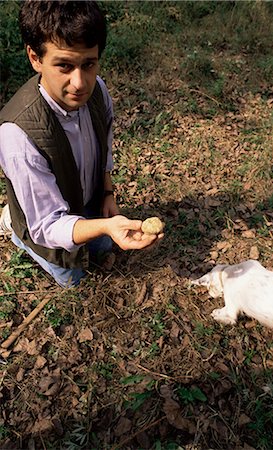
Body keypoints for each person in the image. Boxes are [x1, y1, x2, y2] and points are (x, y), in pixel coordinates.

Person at [0, 0, 162, 288]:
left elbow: (106, 142)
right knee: (73, 279)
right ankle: (16, 227)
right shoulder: (16, 135)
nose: (80, 83)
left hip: (84, 203)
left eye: (89, 64)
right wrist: (107, 226)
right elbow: (49, 226)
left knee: (101, 248)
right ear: (35, 58)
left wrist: (108, 193)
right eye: (64, 65)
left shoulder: (97, 90)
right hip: (47, 222)